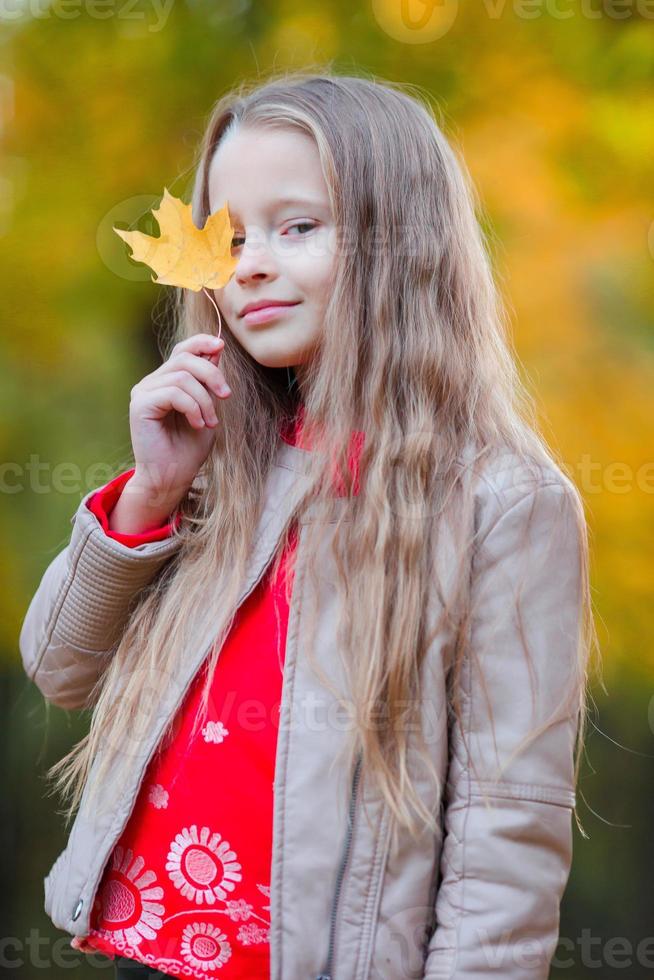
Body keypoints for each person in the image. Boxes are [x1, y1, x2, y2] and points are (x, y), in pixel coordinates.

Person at [19, 69, 598, 980]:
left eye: (299, 227)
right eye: (231, 233)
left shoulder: (502, 502)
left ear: (402, 246)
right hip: (147, 951)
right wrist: (149, 499)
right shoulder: (217, 459)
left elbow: (507, 828)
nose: (249, 262)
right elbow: (59, 669)